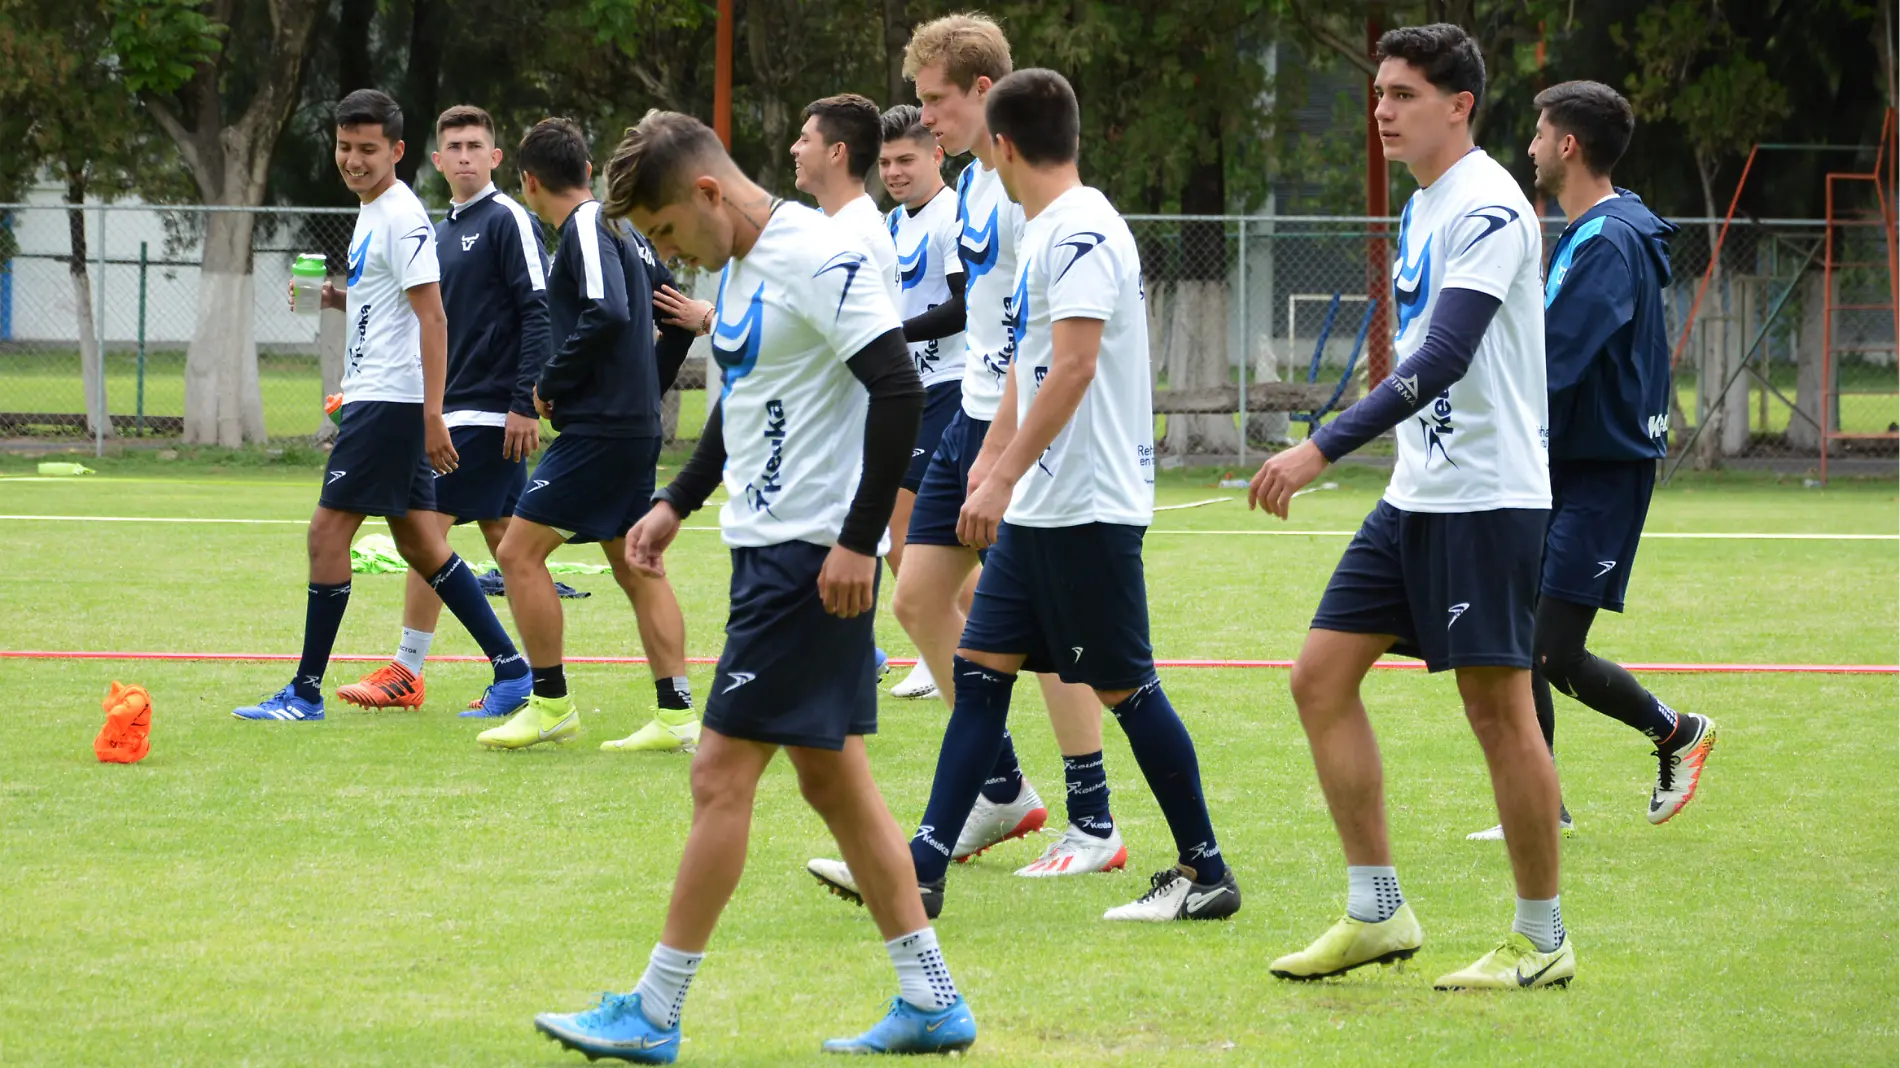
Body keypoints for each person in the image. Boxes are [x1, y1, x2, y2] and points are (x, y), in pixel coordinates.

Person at [529, 110, 975, 1061]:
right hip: (768, 553)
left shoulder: (817, 255)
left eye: (664, 234)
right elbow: (746, 404)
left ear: (706, 193)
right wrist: (676, 504)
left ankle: (654, 1011)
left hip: (809, 563)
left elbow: (897, 386)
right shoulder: (735, 269)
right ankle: (931, 998)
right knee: (834, 780)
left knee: (719, 774)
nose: (670, 255)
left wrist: (860, 543)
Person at [812, 68, 1239, 923]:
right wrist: (992, 460)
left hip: (1085, 504)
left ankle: (1205, 873)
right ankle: (919, 868)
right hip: (1040, 503)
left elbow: (1075, 366)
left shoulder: (1080, 230)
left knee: (1128, 689)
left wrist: (1002, 473)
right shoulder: (1046, 229)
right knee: (979, 678)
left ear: (1003, 145)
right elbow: (1028, 358)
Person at [1251, 25, 1574, 990]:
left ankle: (1542, 937)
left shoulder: (1486, 205)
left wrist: (1319, 447)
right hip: (1418, 493)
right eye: (1379, 93)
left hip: (1487, 498)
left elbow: (1442, 360)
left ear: (1459, 105)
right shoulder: (1427, 204)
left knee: (1497, 711)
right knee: (1319, 678)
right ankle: (1376, 912)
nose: (1382, 110)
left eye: (1402, 94)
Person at [874, 11, 1124, 878]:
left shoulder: (1032, 193)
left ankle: (1092, 818)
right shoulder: (975, 187)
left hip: (1011, 430)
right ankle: (1005, 791)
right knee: (916, 598)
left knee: (1046, 628)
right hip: (970, 420)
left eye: (937, 101)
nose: (925, 119)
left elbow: (1057, 340)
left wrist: (1008, 451)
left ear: (985, 94)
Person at [1462, 79, 1713, 839]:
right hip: (1566, 466)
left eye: (1539, 134)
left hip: (1601, 469)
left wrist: (1474, 401)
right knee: (1522, 639)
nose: (1531, 147)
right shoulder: (1594, 235)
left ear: (1567, 145)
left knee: (1545, 648)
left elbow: (1556, 358)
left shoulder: (1606, 240)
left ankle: (1678, 733)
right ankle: (1544, 809)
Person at [235, 89, 531, 723]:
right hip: (377, 396)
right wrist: (337, 305)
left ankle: (306, 692)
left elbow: (434, 317)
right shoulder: (372, 213)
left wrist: (429, 415)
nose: (354, 160)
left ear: (396, 151)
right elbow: (388, 308)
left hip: (394, 402)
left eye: (368, 149)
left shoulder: (400, 214)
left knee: (326, 533)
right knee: (424, 544)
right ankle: (512, 672)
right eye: (345, 147)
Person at [475, 117, 699, 753]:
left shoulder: (585, 225)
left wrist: (550, 383)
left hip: (599, 430)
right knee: (637, 566)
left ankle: (549, 705)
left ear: (529, 181)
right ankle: (677, 715)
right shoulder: (626, 230)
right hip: (627, 425)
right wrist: (644, 393)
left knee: (517, 553)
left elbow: (609, 312)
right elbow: (676, 317)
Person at [337, 104, 550, 718]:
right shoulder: (443, 227)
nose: (462, 155)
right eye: (452, 146)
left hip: (488, 413)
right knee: (509, 544)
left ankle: (414, 670)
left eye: (473, 145)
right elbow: (427, 317)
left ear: (495, 157)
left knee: (425, 537)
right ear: (435, 159)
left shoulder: (508, 218)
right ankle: (534, 676)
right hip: (453, 407)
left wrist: (523, 403)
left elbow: (538, 310)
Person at [877, 103, 965, 702]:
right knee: (904, 528)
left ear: (936, 154)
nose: (894, 171)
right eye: (884, 162)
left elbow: (965, 307)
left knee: (904, 521)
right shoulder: (889, 223)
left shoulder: (952, 216)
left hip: (951, 387)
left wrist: (894, 334)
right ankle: (964, 644)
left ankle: (947, 653)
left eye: (906, 159)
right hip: (906, 392)